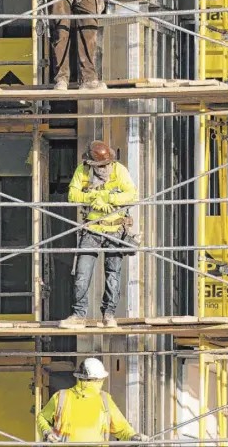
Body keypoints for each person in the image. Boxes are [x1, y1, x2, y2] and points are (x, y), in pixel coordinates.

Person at [59, 141, 138, 329]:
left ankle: (108, 315)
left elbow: (132, 195)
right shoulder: (83, 171)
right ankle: (78, 316)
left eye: (105, 165)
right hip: (92, 229)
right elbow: (73, 195)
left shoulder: (119, 171)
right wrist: (93, 198)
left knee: (113, 275)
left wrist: (109, 198)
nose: (103, 168)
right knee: (82, 274)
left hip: (115, 229)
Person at [37, 358, 149, 443]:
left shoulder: (104, 399)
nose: (101, 382)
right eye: (99, 379)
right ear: (92, 380)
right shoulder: (62, 397)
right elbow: (42, 418)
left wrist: (133, 436)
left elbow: (122, 428)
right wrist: (47, 432)